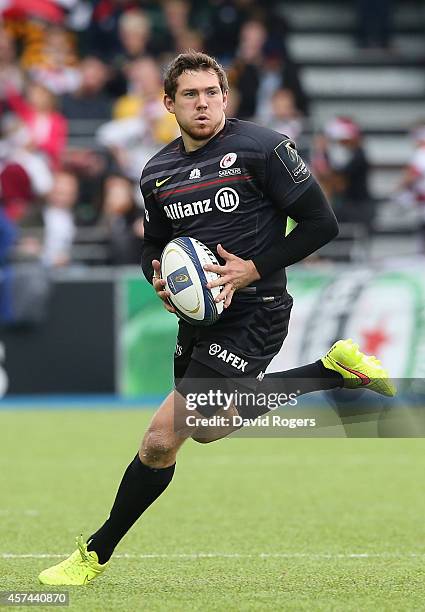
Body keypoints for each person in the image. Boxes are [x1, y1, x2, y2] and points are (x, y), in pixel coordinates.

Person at [38, 51, 396, 586]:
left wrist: (253, 270)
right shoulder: (157, 172)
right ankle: (330, 370)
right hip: (200, 320)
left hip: (257, 312)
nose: (202, 104)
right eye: (190, 95)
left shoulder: (264, 148)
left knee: (161, 439)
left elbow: (323, 224)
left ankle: (93, 554)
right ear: (169, 103)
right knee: (209, 429)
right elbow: (153, 247)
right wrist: (158, 278)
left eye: (211, 93)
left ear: (225, 97)